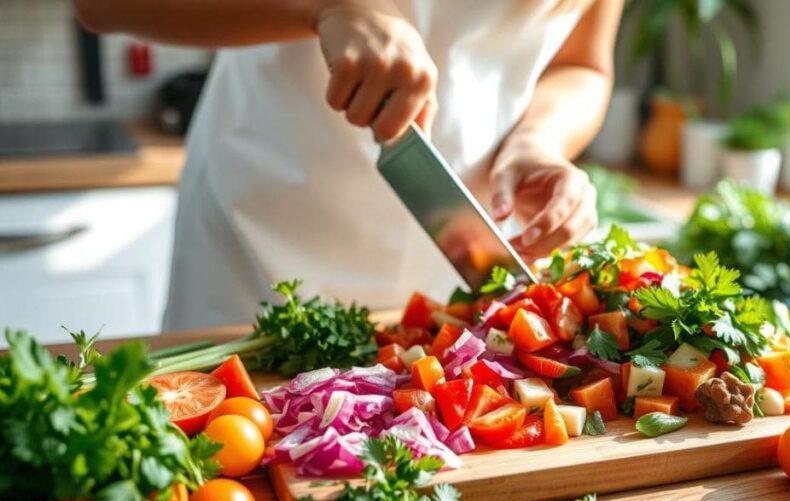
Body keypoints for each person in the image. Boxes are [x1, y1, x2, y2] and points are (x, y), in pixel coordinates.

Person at [74, 0, 621, 330]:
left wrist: (539, 141)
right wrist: (325, 5)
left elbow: (582, 65)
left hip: (460, 252)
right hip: (254, 245)